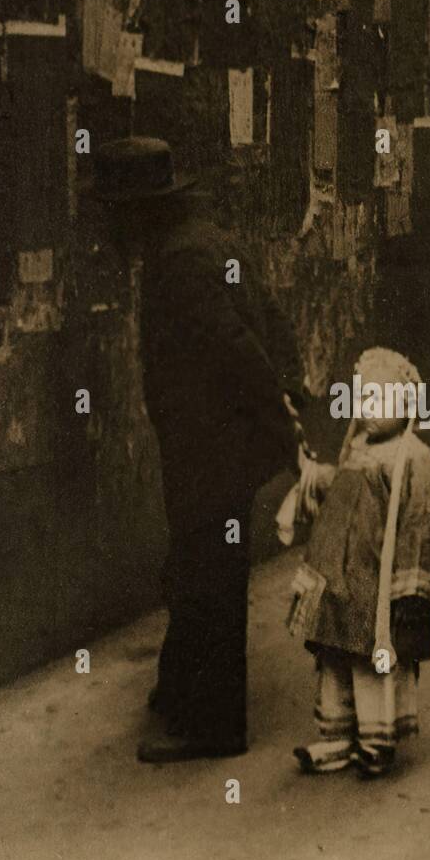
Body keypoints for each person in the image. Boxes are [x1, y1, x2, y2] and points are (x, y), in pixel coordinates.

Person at [93, 137, 305, 763]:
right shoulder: (207, 240)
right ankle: (182, 688)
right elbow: (269, 315)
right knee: (198, 563)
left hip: (210, 444)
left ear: (139, 210)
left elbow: (237, 344)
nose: (110, 226)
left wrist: (281, 417)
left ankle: (215, 724)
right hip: (217, 440)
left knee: (209, 572)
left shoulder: (179, 262)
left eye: (114, 211)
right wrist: (285, 395)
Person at [284, 348, 430, 778]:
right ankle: (337, 734)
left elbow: (426, 521)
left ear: (407, 404)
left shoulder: (413, 458)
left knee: (373, 659)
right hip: (338, 578)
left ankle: (377, 736)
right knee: (333, 655)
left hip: (376, 583)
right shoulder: (357, 449)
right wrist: (313, 475)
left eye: (382, 400)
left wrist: (413, 588)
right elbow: (341, 492)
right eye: (363, 399)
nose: (369, 410)